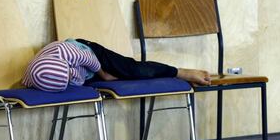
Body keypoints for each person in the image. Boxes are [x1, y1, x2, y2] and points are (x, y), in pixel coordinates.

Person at [22, 39, 211, 92]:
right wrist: (72, 81)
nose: (73, 77)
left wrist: (104, 75)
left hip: (91, 55)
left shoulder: (67, 53)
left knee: (132, 70)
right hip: (84, 73)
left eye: (69, 75)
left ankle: (180, 72)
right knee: (81, 81)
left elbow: (89, 59)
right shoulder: (34, 78)